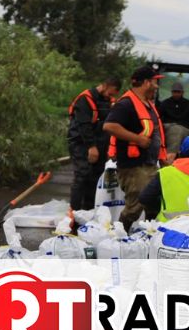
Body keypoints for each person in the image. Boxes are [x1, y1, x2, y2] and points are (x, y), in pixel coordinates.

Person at [103, 66, 168, 232]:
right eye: (155, 82)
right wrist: (137, 139)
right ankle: (116, 238)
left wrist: (162, 158)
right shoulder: (126, 104)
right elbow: (109, 126)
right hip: (134, 167)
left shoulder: (146, 104)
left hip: (148, 164)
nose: (156, 86)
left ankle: (149, 236)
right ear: (146, 83)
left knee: (154, 203)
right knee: (135, 206)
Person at [67, 78, 120, 210]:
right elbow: (84, 126)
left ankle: (88, 211)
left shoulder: (109, 101)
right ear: (105, 85)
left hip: (101, 142)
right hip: (81, 143)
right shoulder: (85, 99)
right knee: (82, 175)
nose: (111, 97)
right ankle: (74, 211)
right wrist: (91, 147)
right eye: (110, 93)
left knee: (95, 177)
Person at [159, 81, 189, 159]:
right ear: (171, 92)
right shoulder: (165, 103)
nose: (176, 94)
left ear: (182, 93)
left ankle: (170, 156)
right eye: (174, 92)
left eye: (178, 92)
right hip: (167, 127)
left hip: (183, 127)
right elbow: (158, 116)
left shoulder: (188, 104)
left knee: (178, 130)